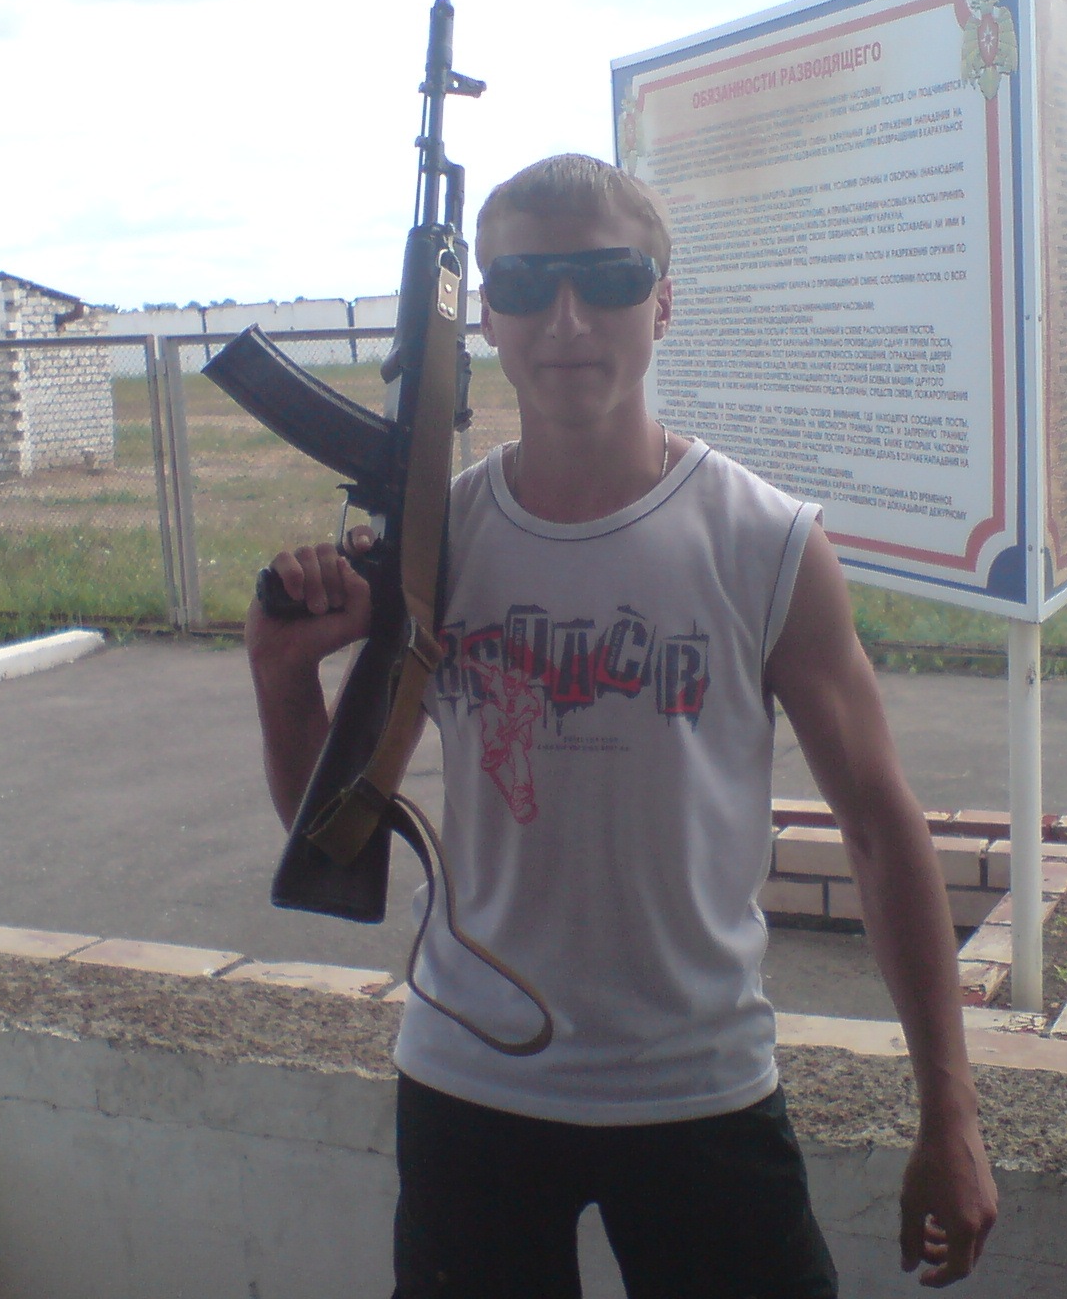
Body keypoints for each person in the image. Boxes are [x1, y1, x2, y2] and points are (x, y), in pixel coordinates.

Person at [247, 154, 997, 1296]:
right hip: (469, 1078)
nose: (566, 318)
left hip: (697, 1085)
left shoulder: (765, 544)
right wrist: (282, 671)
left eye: (606, 278)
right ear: (482, 316)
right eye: (524, 284)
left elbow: (880, 829)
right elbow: (334, 832)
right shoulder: (432, 550)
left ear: (663, 302)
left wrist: (950, 1112)